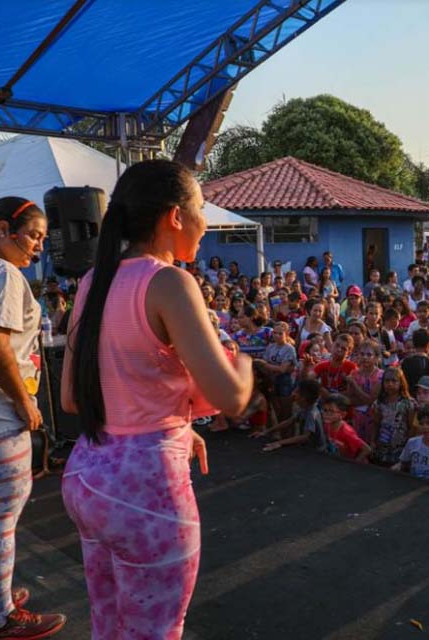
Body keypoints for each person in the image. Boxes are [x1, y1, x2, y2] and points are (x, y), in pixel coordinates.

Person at [61, 161, 254, 640]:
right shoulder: (169, 283)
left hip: (87, 477)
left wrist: (179, 425)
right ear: (174, 216)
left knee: (108, 625)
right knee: (155, 631)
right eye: (201, 210)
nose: (205, 224)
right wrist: (244, 365)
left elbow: (70, 398)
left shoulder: (92, 281)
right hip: (145, 495)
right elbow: (230, 397)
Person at [0, 196, 67, 637]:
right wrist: (24, 402)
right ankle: (1, 616)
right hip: (1, 419)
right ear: (4, 230)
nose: (39, 246)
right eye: (34, 235)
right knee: (2, 523)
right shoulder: (3, 272)